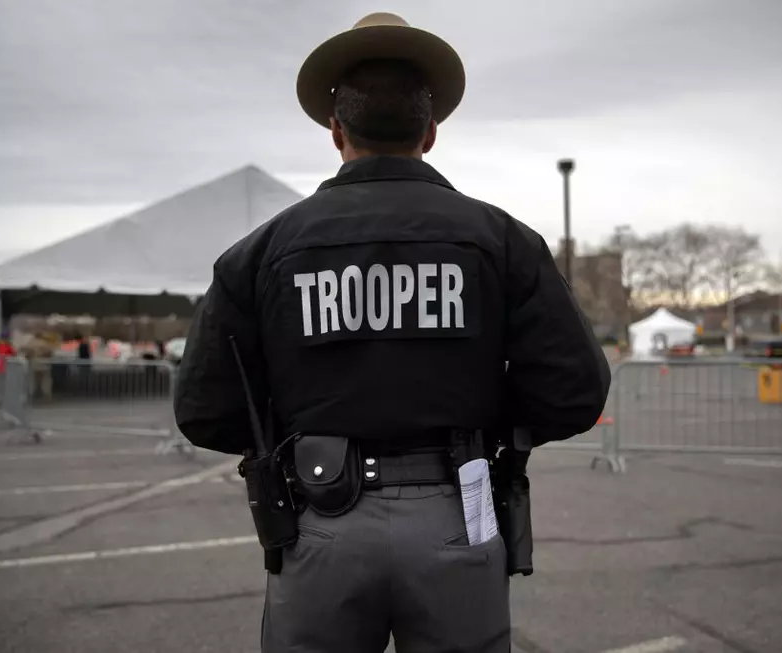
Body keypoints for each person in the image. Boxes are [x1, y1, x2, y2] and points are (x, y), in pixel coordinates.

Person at [174, 12, 610, 653]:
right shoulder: (503, 241)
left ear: (336, 131)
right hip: (458, 511)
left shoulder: (262, 252)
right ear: (430, 133)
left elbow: (203, 410)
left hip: (318, 522)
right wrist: (489, 430)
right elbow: (574, 390)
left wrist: (292, 435)